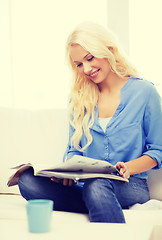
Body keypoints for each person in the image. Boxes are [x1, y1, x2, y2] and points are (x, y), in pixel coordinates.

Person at [18, 22, 162, 223]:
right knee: (28, 181)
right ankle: (99, 202)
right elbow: (73, 149)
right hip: (86, 184)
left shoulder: (145, 93)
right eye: (79, 64)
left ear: (108, 50)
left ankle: (99, 204)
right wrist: (67, 171)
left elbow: (157, 150)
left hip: (130, 184)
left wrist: (129, 167)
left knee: (98, 184)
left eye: (90, 58)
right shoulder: (78, 99)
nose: (86, 68)